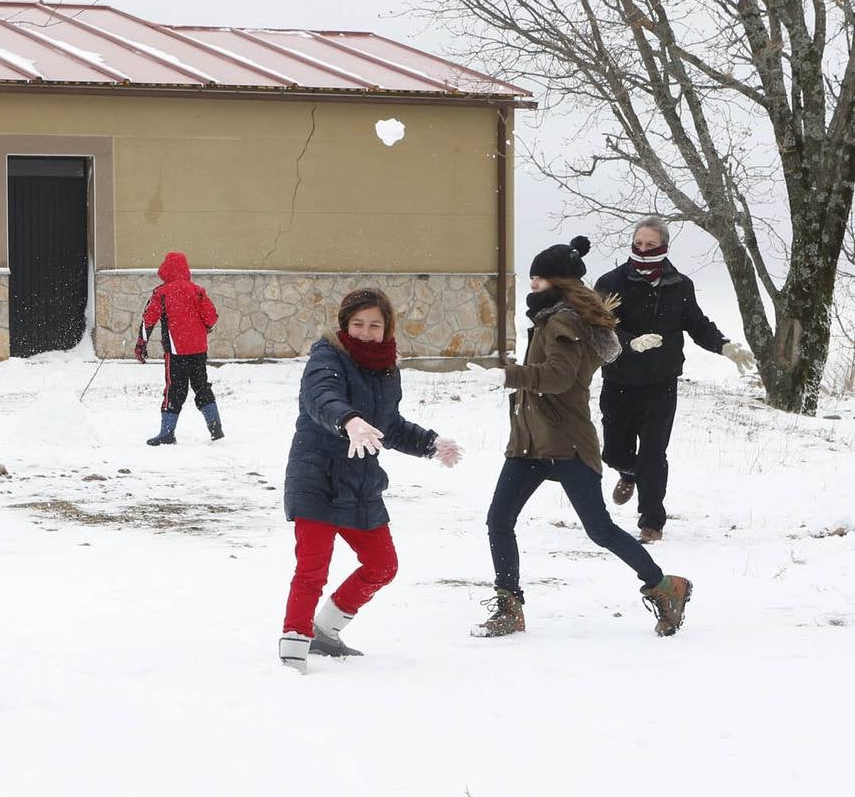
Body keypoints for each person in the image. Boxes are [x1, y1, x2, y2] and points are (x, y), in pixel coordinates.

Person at [462, 237, 692, 639]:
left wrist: (508, 375)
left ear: (556, 282)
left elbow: (558, 377)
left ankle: (664, 586)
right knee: (499, 519)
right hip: (531, 441)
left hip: (566, 441)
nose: (531, 286)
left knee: (599, 529)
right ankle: (509, 605)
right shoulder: (550, 318)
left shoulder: (564, 321)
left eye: (536, 280)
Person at [278, 288, 462, 673]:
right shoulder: (327, 357)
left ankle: (325, 631)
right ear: (345, 325)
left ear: (387, 328)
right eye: (358, 324)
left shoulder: (385, 368)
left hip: (360, 483)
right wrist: (348, 420)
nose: (365, 332)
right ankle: (292, 655)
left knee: (382, 565)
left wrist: (429, 443)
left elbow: (389, 424)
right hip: (317, 477)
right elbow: (321, 397)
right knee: (312, 570)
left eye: (374, 325)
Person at [595, 216, 755, 542]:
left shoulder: (679, 285)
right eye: (638, 244)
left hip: (661, 383)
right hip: (620, 380)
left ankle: (651, 523)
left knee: (654, 453)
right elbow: (600, 327)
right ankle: (627, 471)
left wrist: (723, 345)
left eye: (650, 245)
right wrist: (630, 343)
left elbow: (696, 324)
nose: (642, 250)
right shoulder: (611, 282)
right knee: (613, 451)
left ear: (664, 247)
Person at [135, 251, 223, 445]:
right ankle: (215, 427)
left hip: (176, 351)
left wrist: (141, 343)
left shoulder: (162, 293)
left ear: (165, 270)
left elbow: (148, 319)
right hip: (199, 349)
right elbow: (212, 317)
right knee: (202, 386)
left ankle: (167, 433)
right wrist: (204, 330)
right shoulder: (197, 290)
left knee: (175, 389)